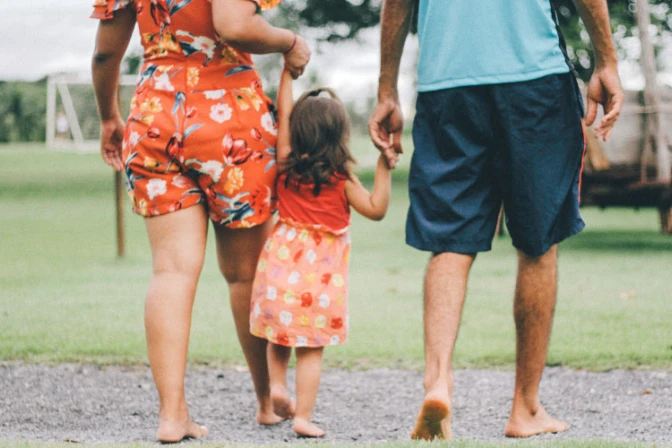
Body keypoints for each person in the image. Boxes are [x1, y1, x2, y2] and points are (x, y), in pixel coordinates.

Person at [369, 0, 623, 440]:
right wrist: (607, 60)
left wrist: (387, 89)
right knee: (538, 244)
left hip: (446, 80)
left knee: (449, 241)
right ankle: (525, 408)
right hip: (533, 77)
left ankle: (439, 381)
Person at [91, 0, 310, 442]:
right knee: (244, 275)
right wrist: (290, 42)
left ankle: (172, 415)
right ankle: (266, 400)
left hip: (155, 117)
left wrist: (108, 115)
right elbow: (234, 25)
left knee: (170, 271)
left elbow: (105, 54)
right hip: (229, 117)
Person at [249, 68, 393, 438]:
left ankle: (277, 386)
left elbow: (284, 111)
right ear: (340, 136)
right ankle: (303, 417)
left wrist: (287, 73)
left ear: (296, 131)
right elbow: (376, 209)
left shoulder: (285, 165)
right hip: (319, 284)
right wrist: (384, 163)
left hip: (279, 272)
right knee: (310, 349)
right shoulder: (342, 180)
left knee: (278, 336)